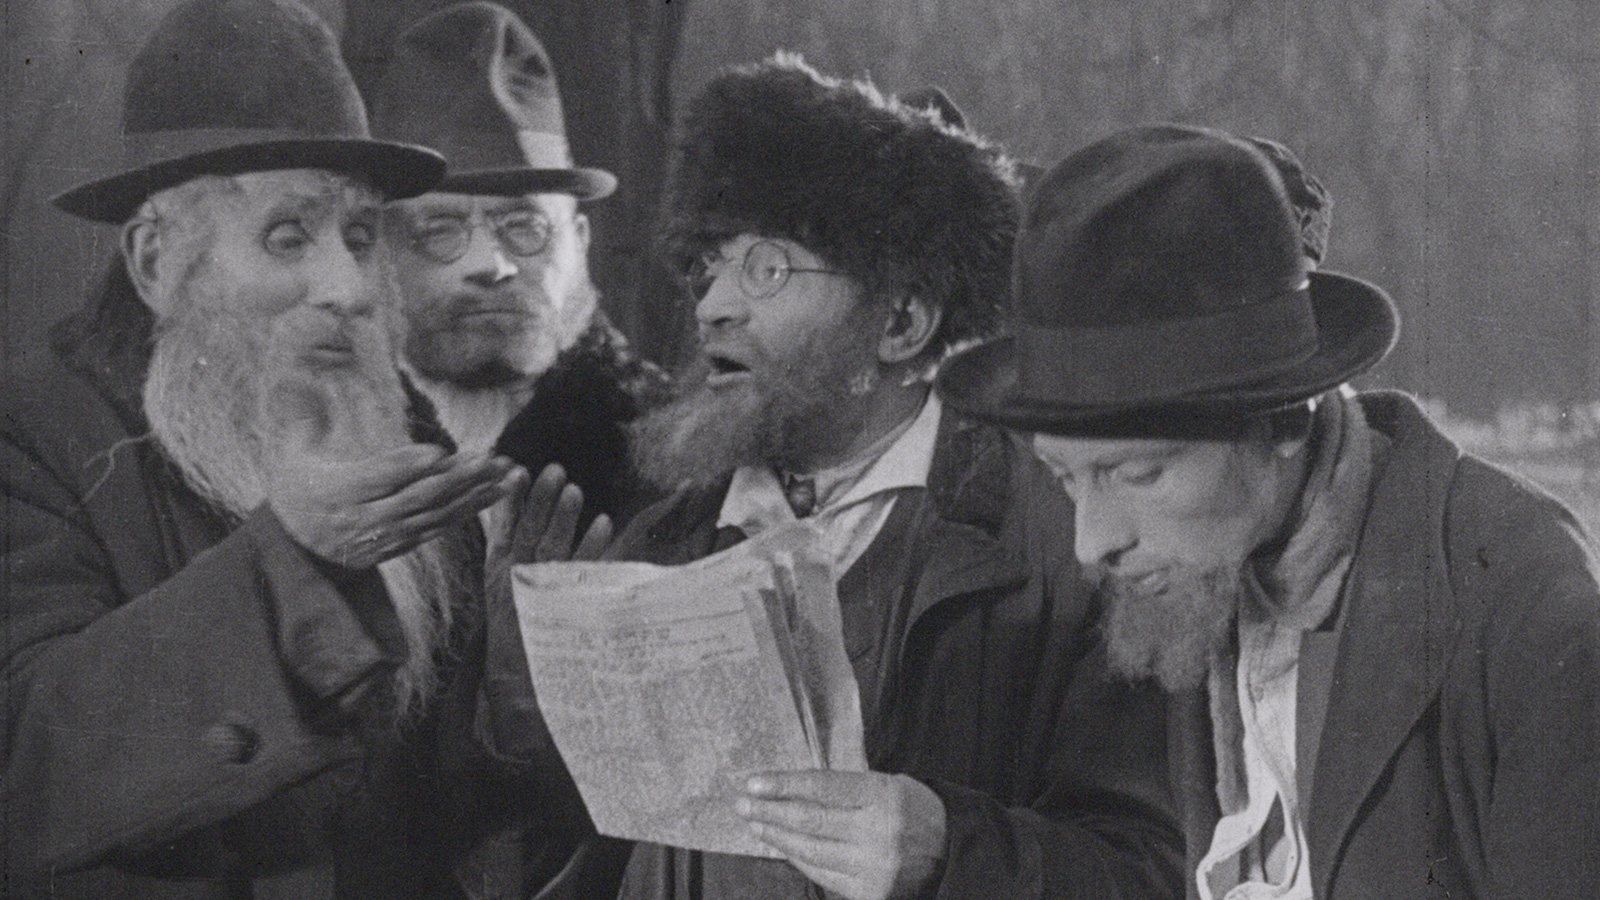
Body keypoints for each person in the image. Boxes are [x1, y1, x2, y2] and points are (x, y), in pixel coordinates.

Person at [936, 123, 1600, 900]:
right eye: (1065, 478)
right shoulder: (1204, 581)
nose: (1092, 543)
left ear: (1284, 419)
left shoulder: (1524, 611)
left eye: (1140, 473)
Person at [595, 55, 1182, 900]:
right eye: (709, 266)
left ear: (901, 323)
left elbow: (1159, 871)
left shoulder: (1074, 548)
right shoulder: (655, 545)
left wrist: (952, 851)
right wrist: (513, 730)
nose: (713, 305)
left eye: (766, 269)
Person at [0, 1, 546, 897]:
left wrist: (507, 727)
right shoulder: (28, 435)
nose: (348, 287)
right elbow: (29, 765)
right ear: (155, 261)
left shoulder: (410, 447)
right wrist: (294, 567)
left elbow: (424, 830)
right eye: (289, 236)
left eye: (360, 237)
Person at [370, 1, 668, 526]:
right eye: (440, 230)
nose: (492, 265)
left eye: (524, 227)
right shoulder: (331, 440)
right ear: (381, 258)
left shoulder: (668, 442)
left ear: (580, 245)